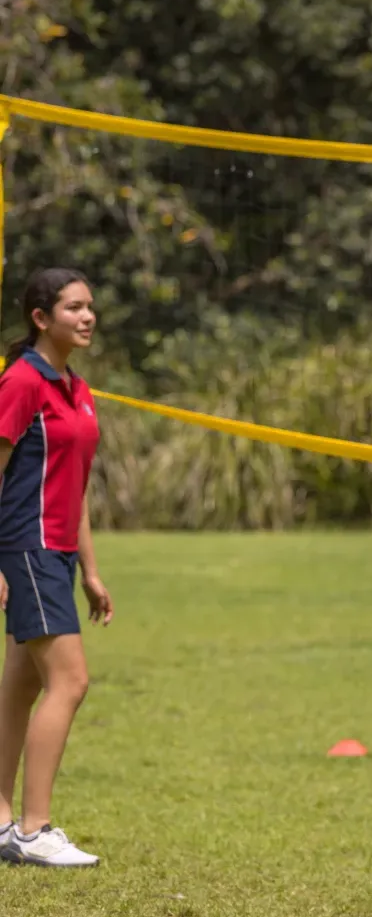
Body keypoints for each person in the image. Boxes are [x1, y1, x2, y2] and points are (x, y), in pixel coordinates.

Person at [0, 269, 110, 869]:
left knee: (21, 686)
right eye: (74, 308)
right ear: (41, 318)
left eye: (90, 307)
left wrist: (90, 570)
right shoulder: (21, 382)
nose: (88, 317)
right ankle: (33, 830)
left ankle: (1, 824)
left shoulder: (79, 388)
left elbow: (78, 488)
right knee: (69, 682)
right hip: (27, 548)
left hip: (59, 552)